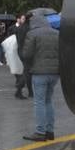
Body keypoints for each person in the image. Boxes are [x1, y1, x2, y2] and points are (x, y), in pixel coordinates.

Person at [20, 14, 60, 142]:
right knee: (48, 101)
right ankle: (50, 131)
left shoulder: (33, 34)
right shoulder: (56, 33)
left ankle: (40, 131)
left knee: (39, 102)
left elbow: (26, 54)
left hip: (39, 72)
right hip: (54, 72)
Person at [2, 16, 26, 99]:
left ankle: (19, 82)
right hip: (13, 48)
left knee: (20, 66)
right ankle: (19, 80)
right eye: (22, 18)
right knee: (15, 65)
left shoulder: (25, 27)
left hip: (20, 48)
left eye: (24, 19)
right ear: (18, 19)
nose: (23, 20)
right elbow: (8, 36)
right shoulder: (12, 28)